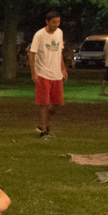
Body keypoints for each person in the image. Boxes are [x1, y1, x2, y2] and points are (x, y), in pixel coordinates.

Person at [29, 11, 67, 139]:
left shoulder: (59, 33)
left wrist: (63, 68)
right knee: (43, 104)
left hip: (56, 74)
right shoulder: (39, 35)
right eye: (54, 22)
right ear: (47, 22)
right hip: (43, 73)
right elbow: (32, 54)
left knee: (56, 103)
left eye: (58, 22)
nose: (56, 25)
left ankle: (42, 124)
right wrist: (33, 73)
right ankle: (44, 131)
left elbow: (59, 52)